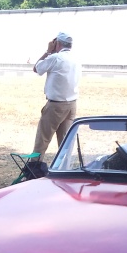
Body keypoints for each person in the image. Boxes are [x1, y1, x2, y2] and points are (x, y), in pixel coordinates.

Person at [31, 32, 81, 160]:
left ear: (57, 43)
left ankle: (33, 168)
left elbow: (37, 68)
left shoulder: (55, 58)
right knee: (65, 142)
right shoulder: (76, 58)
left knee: (42, 140)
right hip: (72, 104)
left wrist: (48, 51)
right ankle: (64, 169)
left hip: (56, 105)